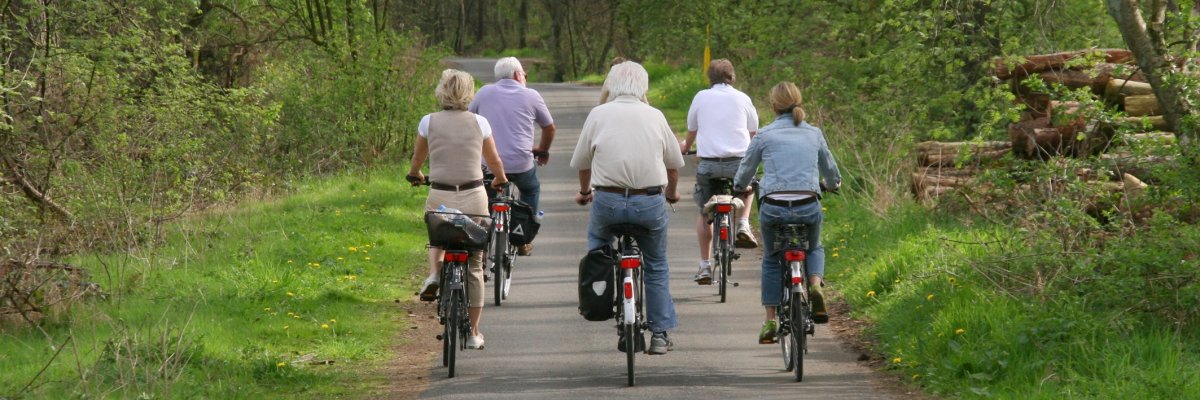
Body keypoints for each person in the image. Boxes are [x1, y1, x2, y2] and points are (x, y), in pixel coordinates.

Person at [570, 61, 685, 355]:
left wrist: (585, 192)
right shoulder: (655, 116)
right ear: (643, 85)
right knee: (656, 266)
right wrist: (671, 194)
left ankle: (600, 299)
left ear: (612, 84)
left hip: (606, 202)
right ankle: (659, 335)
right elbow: (673, 166)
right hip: (649, 203)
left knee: (598, 248)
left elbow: (584, 163)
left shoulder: (598, 114)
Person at [732, 81, 841, 344]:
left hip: (774, 208)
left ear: (773, 107)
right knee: (814, 248)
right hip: (808, 205)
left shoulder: (765, 135)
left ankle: (770, 320)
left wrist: (739, 186)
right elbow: (831, 171)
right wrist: (832, 184)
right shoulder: (813, 133)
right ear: (799, 102)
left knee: (771, 258)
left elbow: (745, 171)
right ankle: (814, 285)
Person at [409, 69, 509, 350]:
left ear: (441, 91)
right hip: (474, 197)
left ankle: (434, 273)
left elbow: (418, 159)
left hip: (440, 196)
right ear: (469, 93)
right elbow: (495, 161)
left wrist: (414, 174)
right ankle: (474, 332)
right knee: (475, 263)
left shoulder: (428, 122)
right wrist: (500, 179)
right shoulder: (480, 122)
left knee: (437, 239)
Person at [678, 59, 760, 285]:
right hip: (738, 164)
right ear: (732, 78)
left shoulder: (700, 97)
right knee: (749, 185)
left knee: (704, 211)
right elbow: (754, 133)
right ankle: (743, 222)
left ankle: (704, 265)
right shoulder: (743, 98)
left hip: (709, 165)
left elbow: (692, 130)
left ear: (709, 79)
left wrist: (685, 147)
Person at [469, 57, 556, 256]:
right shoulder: (531, 95)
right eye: (524, 75)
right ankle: (522, 240)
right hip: (521, 165)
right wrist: (542, 150)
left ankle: (480, 248)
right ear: (518, 75)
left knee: (486, 199)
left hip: (489, 165)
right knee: (531, 189)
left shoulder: (484, 92)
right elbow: (549, 127)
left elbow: (468, 120)